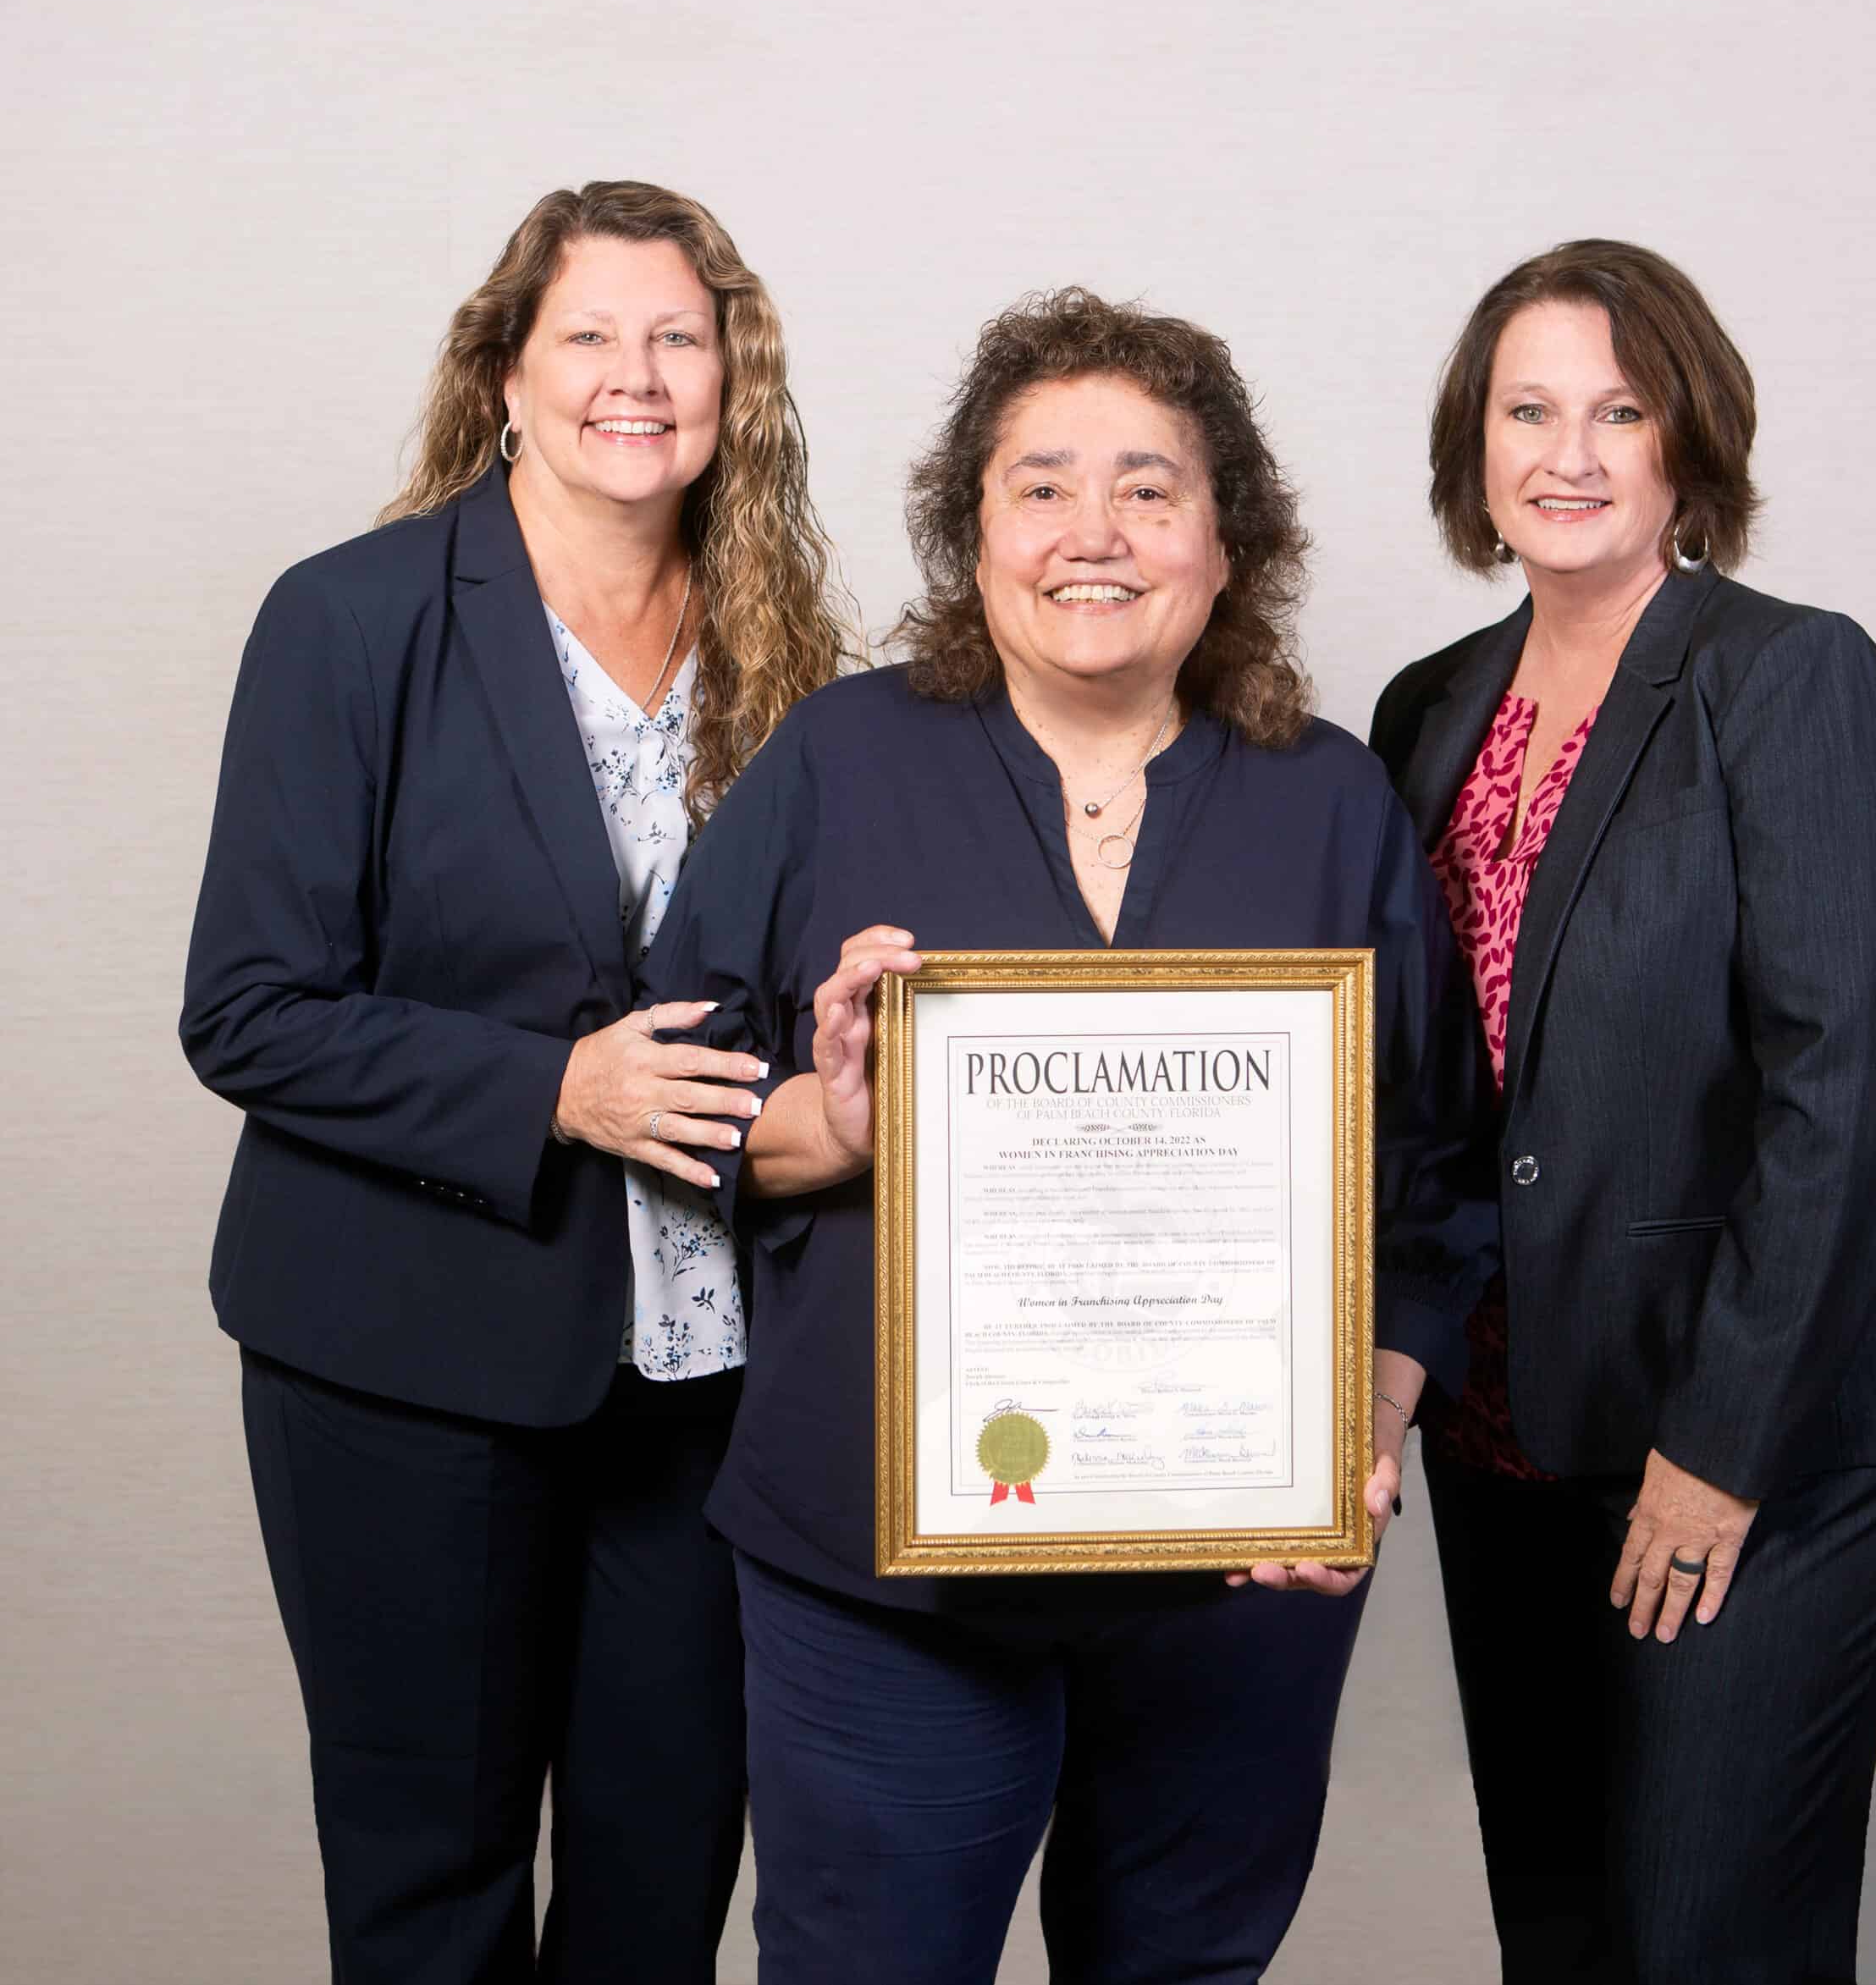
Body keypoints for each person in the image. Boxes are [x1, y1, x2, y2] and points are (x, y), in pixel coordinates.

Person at [638, 286, 1496, 1984]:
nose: (1089, 532)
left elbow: (1429, 1174)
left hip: (1231, 1578)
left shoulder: (1326, 799)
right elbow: (676, 1112)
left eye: (1146, 487)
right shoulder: (837, 763)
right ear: (973, 536)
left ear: (1223, 543)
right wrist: (839, 1116)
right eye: (1038, 484)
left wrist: (1363, 1427)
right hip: (882, 1569)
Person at [179, 180, 849, 1983]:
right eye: (590, 337)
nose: (635, 378)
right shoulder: (352, 619)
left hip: (709, 1371)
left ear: (733, 380)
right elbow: (246, 1006)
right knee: (434, 1878)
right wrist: (554, 1092)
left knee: (664, 1877)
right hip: (409, 1359)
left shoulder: (792, 650)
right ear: (505, 374)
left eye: (677, 339)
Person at [1370, 239, 1876, 1983]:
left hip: (1761, 1428)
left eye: (1617, 407)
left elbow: (1849, 1085)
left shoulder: (1784, 676)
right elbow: (1420, 1082)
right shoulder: (1425, 709)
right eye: (1526, 408)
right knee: (1563, 1936)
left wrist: (1720, 1448)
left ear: (1683, 442)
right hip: (1510, 1420)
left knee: (1705, 1941)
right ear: (1471, 441)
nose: (1565, 451)